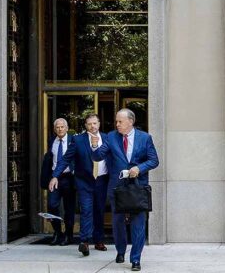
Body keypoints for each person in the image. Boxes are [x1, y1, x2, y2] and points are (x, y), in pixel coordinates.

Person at [91, 109, 159, 272]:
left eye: (120, 121)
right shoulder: (111, 137)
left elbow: (154, 160)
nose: (117, 124)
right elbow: (98, 157)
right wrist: (94, 146)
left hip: (138, 187)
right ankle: (120, 251)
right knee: (118, 222)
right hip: (118, 187)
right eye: (116, 121)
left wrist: (140, 168)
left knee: (138, 224)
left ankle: (136, 259)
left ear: (130, 121)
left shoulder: (145, 138)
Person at [49, 114, 109, 256]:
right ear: (85, 126)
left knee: (99, 210)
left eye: (95, 123)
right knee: (86, 210)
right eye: (89, 124)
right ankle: (84, 241)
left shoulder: (108, 138)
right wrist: (55, 176)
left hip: (102, 180)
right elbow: (65, 159)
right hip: (84, 181)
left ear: (99, 124)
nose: (92, 126)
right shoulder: (78, 140)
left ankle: (99, 239)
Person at [46, 118, 76, 246]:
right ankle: (58, 232)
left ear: (67, 128)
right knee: (52, 205)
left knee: (69, 208)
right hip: (55, 178)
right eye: (57, 127)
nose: (60, 129)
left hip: (69, 177)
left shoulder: (73, 140)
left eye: (62, 127)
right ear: (54, 129)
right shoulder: (52, 141)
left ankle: (68, 235)